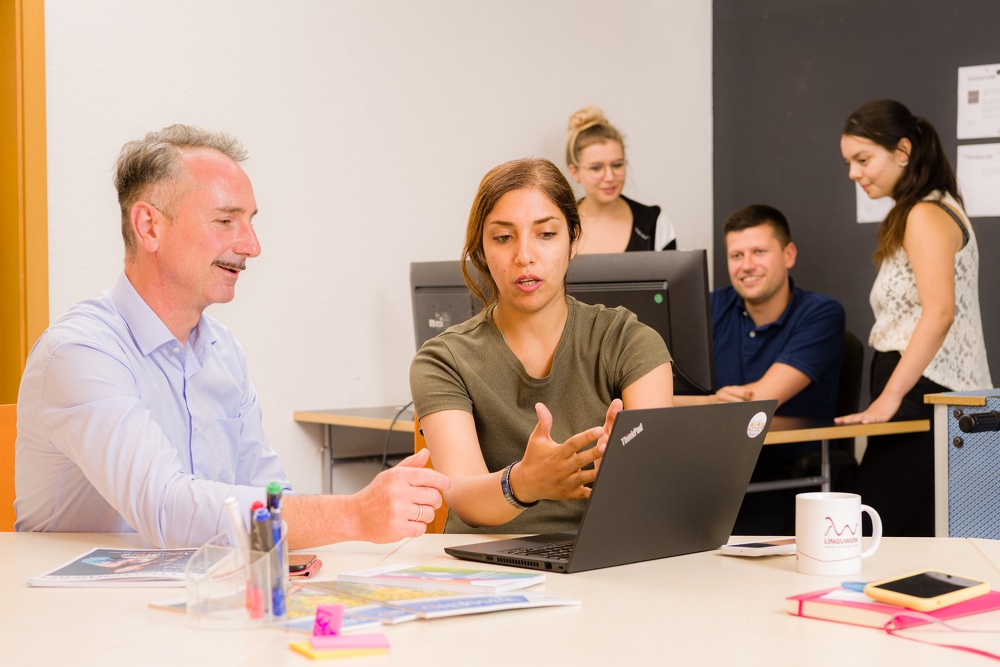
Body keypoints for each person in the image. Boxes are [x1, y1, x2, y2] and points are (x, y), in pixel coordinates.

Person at [14, 125, 451, 550]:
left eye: (250, 222)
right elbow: (166, 507)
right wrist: (353, 514)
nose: (252, 246)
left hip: (197, 602)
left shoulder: (222, 351)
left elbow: (267, 495)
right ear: (148, 227)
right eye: (225, 221)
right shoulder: (79, 352)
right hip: (82, 616)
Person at [409, 157, 674, 534]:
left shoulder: (629, 342)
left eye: (546, 234)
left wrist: (628, 467)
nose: (525, 256)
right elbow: (463, 496)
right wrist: (523, 484)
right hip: (485, 568)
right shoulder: (441, 360)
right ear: (481, 250)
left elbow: (656, 486)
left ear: (573, 240)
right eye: (503, 237)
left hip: (600, 560)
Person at [838, 99, 992, 536]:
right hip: (923, 389)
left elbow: (940, 313)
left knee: (868, 533)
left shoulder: (925, 214)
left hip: (923, 392)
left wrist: (889, 398)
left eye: (863, 159)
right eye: (849, 162)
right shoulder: (928, 208)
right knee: (913, 536)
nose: (854, 173)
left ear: (902, 150)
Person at [686, 204, 845, 534]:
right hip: (709, 480)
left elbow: (754, 410)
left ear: (788, 255)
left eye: (759, 251)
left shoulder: (821, 313)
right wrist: (713, 403)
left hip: (791, 485)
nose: (747, 266)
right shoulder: (709, 307)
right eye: (736, 255)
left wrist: (692, 408)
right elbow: (650, 395)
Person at [565, 106, 677, 253]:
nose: (610, 177)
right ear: (575, 172)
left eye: (617, 165)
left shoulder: (654, 224)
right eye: (596, 168)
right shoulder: (562, 225)